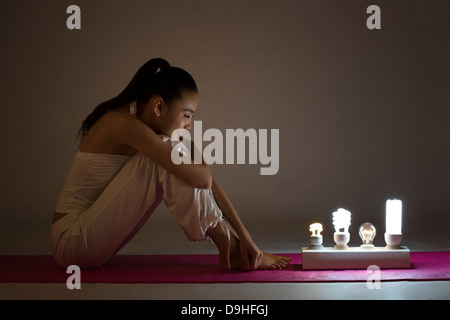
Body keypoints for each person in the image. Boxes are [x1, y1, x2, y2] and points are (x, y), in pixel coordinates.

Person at [50, 58, 291, 271]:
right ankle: (231, 248)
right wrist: (194, 157)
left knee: (173, 157)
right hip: (72, 243)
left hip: (91, 240)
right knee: (166, 156)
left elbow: (208, 182)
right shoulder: (125, 125)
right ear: (158, 107)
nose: (189, 124)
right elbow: (204, 178)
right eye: (186, 115)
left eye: (192, 117)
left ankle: (235, 246)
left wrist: (245, 235)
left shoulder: (147, 130)